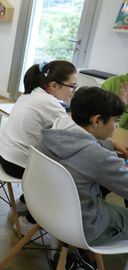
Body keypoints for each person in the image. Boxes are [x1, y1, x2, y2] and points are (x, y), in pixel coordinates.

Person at [38, 87, 128, 268]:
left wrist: (111, 144)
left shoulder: (54, 130)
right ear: (96, 120)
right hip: (84, 224)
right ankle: (87, 256)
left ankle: (84, 256)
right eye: (115, 121)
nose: (116, 126)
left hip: (47, 208)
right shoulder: (96, 157)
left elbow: (85, 140)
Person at [0, 60, 77, 245]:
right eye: (72, 86)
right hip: (17, 164)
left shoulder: (32, 94)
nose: (73, 91)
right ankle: (27, 223)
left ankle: (25, 201)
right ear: (53, 85)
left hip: (4, 156)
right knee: (66, 179)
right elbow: (71, 134)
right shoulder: (49, 103)